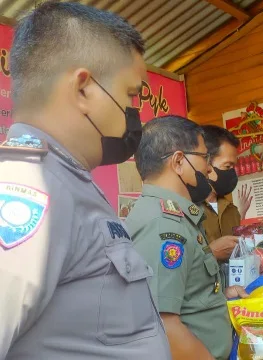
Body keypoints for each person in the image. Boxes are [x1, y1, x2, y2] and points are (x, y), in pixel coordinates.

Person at [0, 3, 172, 359]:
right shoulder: (29, 189)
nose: (133, 114)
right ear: (83, 89)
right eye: (129, 95)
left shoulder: (68, 180)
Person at [127, 116, 247, 360]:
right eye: (204, 157)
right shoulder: (164, 225)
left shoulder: (179, 217)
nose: (210, 169)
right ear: (179, 161)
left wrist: (220, 299)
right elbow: (163, 326)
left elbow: (183, 300)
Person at [200, 125, 241, 289]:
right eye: (227, 166)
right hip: (204, 304)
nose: (232, 173)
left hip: (236, 299)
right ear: (206, 164)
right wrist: (212, 252)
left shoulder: (232, 210)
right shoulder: (185, 209)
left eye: (234, 167)